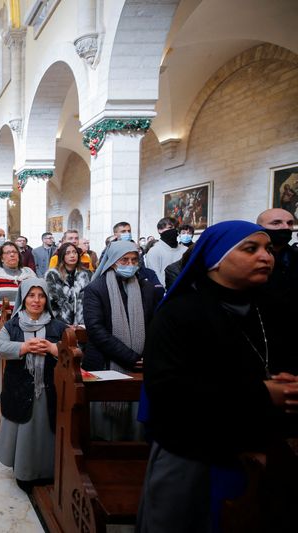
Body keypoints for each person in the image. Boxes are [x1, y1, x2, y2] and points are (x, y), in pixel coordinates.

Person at [137, 221, 298, 533]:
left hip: (270, 451)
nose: (266, 257)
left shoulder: (274, 308)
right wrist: (263, 394)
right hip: (191, 454)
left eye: (266, 249)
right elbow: (169, 392)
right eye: (251, 249)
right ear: (215, 259)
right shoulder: (178, 314)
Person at [0, 278, 68, 490]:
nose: (36, 300)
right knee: (25, 429)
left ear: (47, 299)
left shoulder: (58, 326)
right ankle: (24, 472)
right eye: (31, 295)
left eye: (41, 295)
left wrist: (54, 349)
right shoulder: (12, 325)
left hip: (48, 388)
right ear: (23, 298)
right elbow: (0, 347)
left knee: (46, 430)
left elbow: (75, 350)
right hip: (21, 387)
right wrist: (24, 347)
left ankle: (46, 471)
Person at [83, 241, 159, 440]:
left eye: (134, 260)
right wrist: (130, 357)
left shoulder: (146, 288)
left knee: (135, 429)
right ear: (112, 262)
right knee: (106, 432)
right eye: (124, 260)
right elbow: (96, 330)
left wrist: (145, 356)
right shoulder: (96, 289)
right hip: (107, 364)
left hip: (141, 366)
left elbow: (153, 326)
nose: (130, 264)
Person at [0, 241, 36, 402]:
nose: (12, 255)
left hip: (23, 325)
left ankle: (21, 394)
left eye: (15, 252)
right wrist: (2, 320)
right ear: (2, 257)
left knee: (21, 359)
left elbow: (38, 294)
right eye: (8, 252)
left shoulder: (28, 273)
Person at [256, 207, 298, 304]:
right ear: (259, 227)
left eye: (290, 223)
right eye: (276, 223)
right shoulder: (248, 258)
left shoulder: (295, 255)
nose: (286, 227)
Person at [44, 242, 92, 325]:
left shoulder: (87, 274)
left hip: (83, 323)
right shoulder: (52, 275)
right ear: (62, 256)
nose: (72, 255)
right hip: (59, 322)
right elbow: (52, 302)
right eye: (68, 253)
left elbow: (90, 299)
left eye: (74, 252)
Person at [145, 217, 187, 287]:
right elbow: (155, 277)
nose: (174, 230)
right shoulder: (154, 251)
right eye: (170, 228)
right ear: (160, 230)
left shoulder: (185, 250)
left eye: (176, 228)